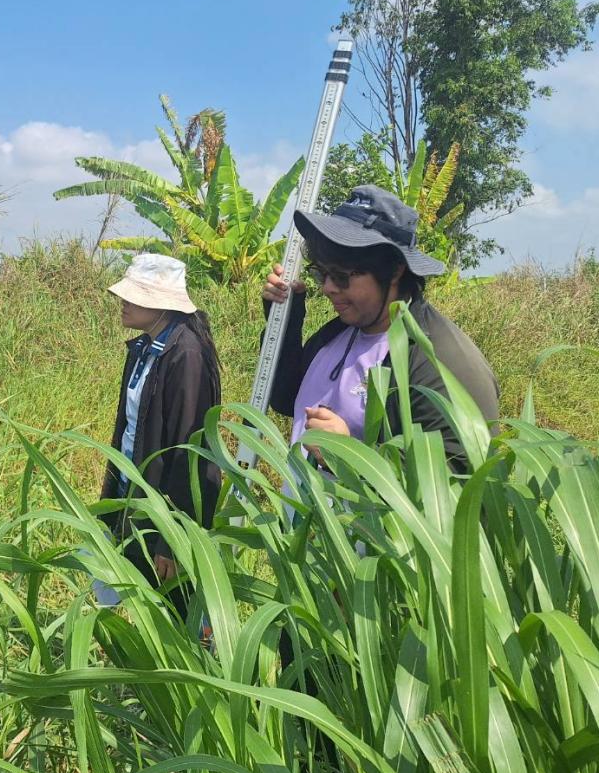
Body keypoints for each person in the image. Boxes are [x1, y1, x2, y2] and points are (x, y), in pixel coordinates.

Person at [261, 184, 499, 470]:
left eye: (341, 276)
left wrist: (352, 458)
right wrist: (285, 321)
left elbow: (459, 477)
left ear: (394, 270)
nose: (327, 288)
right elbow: (287, 401)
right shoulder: (339, 333)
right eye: (320, 273)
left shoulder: (440, 360)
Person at [98, 253, 222, 614]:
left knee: (171, 614)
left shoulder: (186, 355)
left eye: (133, 295)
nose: (122, 302)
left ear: (161, 304)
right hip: (132, 499)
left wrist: (173, 539)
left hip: (161, 513)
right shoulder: (143, 347)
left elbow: (190, 450)